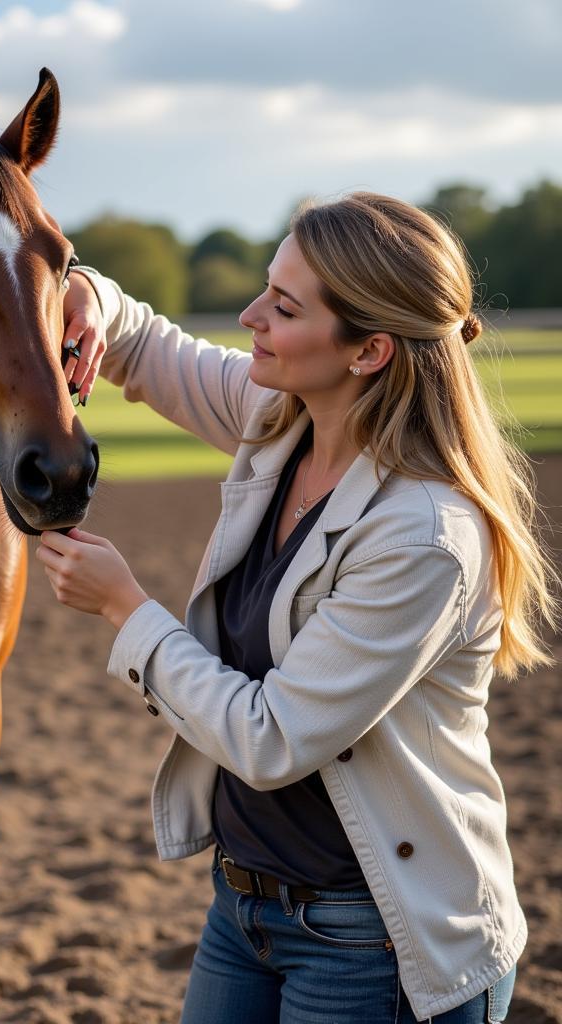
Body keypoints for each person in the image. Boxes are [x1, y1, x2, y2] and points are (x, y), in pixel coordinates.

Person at [37, 192, 558, 1022]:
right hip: (243, 910)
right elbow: (141, 341)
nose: (251, 317)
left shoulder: (424, 537)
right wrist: (88, 297)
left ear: (369, 351)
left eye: (282, 307)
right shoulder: (279, 421)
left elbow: (271, 738)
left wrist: (126, 611)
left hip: (377, 939)